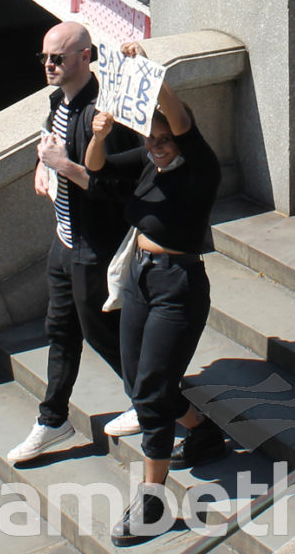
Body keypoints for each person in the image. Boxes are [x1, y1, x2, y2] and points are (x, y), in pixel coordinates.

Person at [85, 41, 224, 545]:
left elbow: (175, 112)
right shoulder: (148, 160)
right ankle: (202, 429)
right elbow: (96, 170)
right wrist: (99, 136)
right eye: (152, 138)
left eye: (166, 138)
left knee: (150, 392)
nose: (159, 144)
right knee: (138, 380)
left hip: (178, 286)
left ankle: (152, 502)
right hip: (140, 277)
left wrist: (147, 72)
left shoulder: (200, 166)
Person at [6, 22, 136, 465]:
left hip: (94, 244)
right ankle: (52, 418)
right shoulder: (57, 102)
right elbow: (49, 146)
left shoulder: (104, 114)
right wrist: (43, 168)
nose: (48, 65)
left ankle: (152, 398)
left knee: (101, 332)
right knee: (60, 330)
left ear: (85, 56)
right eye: (44, 57)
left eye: (57, 58)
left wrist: (63, 164)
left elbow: (117, 185)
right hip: (65, 241)